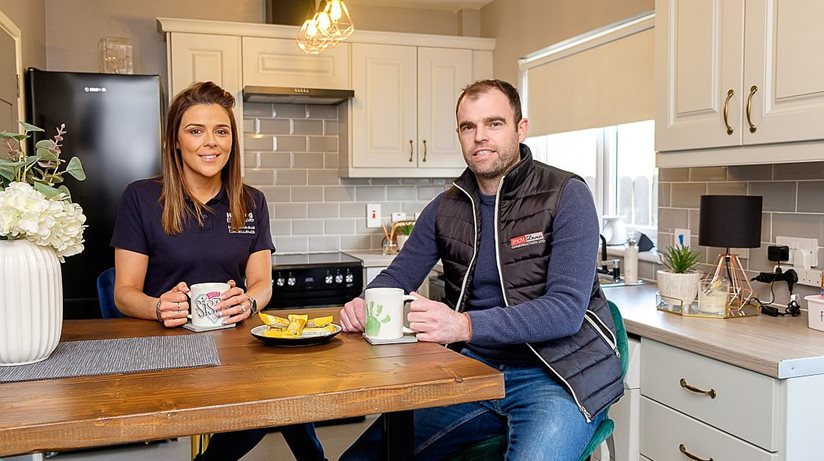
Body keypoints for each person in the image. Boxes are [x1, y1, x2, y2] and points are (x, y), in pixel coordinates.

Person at [338, 79, 623, 461]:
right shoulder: (446, 207)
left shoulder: (567, 194)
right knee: (363, 458)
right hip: (474, 373)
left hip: (558, 376)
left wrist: (464, 325)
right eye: (468, 127)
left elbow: (565, 310)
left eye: (494, 123)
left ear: (521, 128)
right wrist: (364, 301)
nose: (480, 137)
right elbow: (397, 276)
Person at [110, 81, 325, 461]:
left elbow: (262, 283)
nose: (210, 142)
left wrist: (248, 302)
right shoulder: (141, 198)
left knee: (289, 388)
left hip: (235, 346)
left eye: (221, 131)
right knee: (274, 399)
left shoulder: (251, 201)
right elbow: (124, 292)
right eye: (196, 131)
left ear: (232, 141)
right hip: (168, 348)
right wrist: (159, 307)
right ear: (176, 141)